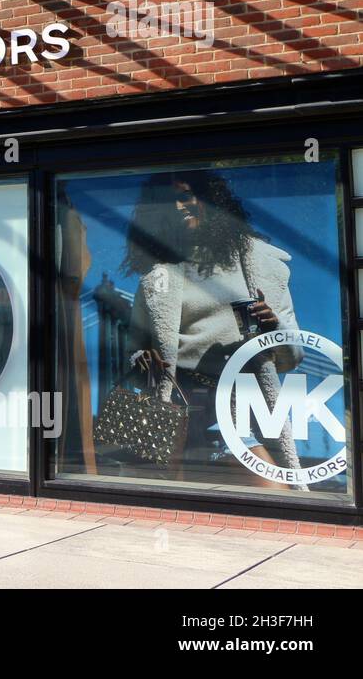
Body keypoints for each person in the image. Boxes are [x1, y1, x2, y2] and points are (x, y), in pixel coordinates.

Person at [122, 169, 303, 487]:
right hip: (176, 408)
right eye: (168, 203)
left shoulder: (259, 265)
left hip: (238, 405)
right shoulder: (155, 278)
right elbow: (133, 353)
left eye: (184, 196)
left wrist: (274, 326)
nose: (178, 208)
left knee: (277, 492)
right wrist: (142, 361)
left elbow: (293, 356)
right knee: (168, 502)